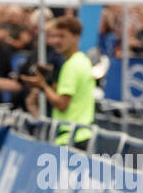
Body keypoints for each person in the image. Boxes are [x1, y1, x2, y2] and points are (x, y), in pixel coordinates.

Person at [20, 15, 95, 148]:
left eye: (61, 36)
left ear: (76, 37)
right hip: (80, 134)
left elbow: (62, 104)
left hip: (71, 137)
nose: (56, 41)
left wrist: (42, 85)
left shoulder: (71, 65)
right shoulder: (83, 60)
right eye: (54, 36)